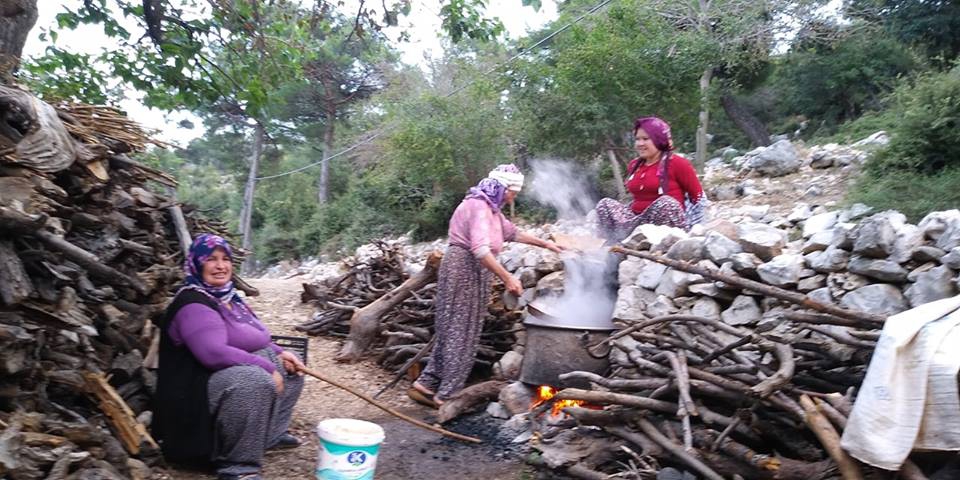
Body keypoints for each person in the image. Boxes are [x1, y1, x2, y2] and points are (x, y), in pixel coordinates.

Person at [152, 234, 306, 480]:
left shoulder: (227, 297)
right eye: (211, 259)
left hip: (214, 379)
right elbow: (212, 353)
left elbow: (251, 337)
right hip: (192, 395)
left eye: (225, 259)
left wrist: (280, 353)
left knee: (290, 366)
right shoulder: (193, 304)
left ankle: (269, 436)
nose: (221, 266)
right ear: (197, 263)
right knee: (253, 381)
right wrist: (267, 367)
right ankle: (238, 466)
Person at [408, 164, 563, 408]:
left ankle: (427, 383)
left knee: (451, 327)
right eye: (512, 191)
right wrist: (508, 278)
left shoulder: (489, 208)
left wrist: (547, 245)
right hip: (464, 268)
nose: (513, 196)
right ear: (502, 187)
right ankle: (447, 395)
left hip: (467, 268)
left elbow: (512, 233)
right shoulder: (479, 207)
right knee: (463, 329)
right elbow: (480, 249)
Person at [595, 116, 707, 241]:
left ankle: (661, 244)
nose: (640, 144)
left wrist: (696, 229)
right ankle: (612, 243)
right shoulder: (634, 165)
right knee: (604, 204)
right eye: (637, 139)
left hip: (666, 226)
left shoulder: (678, 163)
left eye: (645, 139)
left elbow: (698, 198)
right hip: (636, 221)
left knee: (666, 203)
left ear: (658, 140)